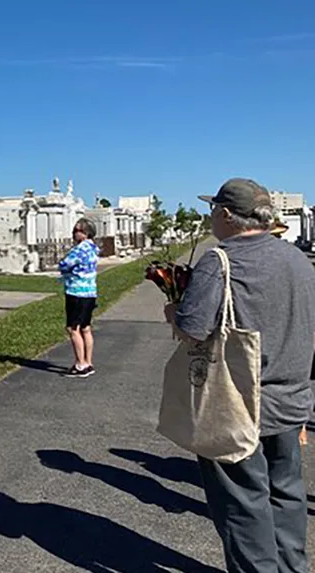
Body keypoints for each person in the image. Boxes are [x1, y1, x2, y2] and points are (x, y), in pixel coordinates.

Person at [166, 178, 315, 573]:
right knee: (286, 494)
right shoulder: (298, 260)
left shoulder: (221, 261)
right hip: (292, 400)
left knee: (242, 504)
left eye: (214, 209)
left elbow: (193, 328)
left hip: (237, 404)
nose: (212, 216)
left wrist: (173, 313)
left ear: (228, 215)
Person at [58, 218, 99, 378]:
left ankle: (80, 364)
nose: (74, 233)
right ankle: (88, 362)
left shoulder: (79, 250)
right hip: (90, 292)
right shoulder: (93, 249)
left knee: (72, 328)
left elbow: (65, 264)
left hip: (76, 292)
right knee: (86, 327)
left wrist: (63, 266)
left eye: (77, 230)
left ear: (85, 232)